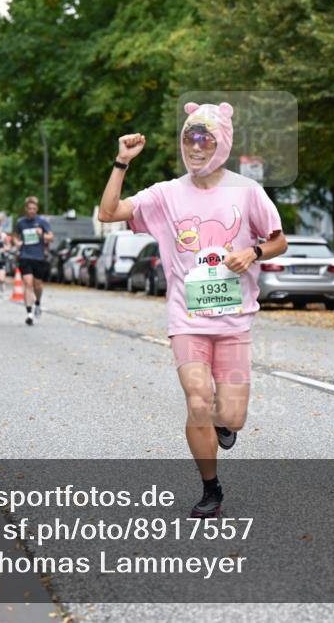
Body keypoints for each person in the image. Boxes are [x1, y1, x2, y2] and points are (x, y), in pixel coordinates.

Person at [97, 102, 286, 518]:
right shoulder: (166, 194)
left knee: (232, 417)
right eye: (189, 138)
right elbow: (108, 213)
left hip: (235, 323)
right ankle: (210, 488)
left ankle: (224, 424)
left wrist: (252, 252)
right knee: (198, 400)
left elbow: (278, 240)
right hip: (188, 322)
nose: (195, 147)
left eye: (205, 138)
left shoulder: (247, 191)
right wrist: (121, 162)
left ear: (222, 144)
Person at [15, 196, 54, 325]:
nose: (31, 210)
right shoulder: (21, 223)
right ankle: (29, 313)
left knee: (38, 285)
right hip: (25, 257)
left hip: (38, 257)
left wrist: (41, 234)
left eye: (34, 208)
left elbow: (51, 237)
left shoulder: (42, 222)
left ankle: (38, 303)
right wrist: (18, 243)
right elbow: (17, 237)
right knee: (28, 283)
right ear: (26, 209)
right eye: (29, 208)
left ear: (36, 209)